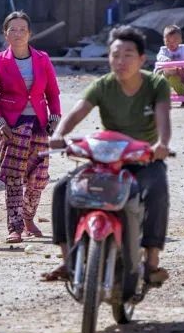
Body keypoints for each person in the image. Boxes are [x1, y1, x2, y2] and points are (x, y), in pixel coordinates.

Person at [44, 26, 172, 293]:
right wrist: (58, 135)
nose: (120, 61)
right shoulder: (102, 85)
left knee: (157, 188)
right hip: (107, 161)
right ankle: (68, 259)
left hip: (143, 159)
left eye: (128, 55)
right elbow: (78, 112)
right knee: (63, 189)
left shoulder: (156, 84)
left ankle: (151, 261)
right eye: (115, 55)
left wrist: (162, 144)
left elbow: (163, 118)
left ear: (142, 59)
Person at [0, 12, 62, 243]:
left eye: (22, 30)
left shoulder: (42, 59)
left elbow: (53, 92)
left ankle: (28, 217)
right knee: (14, 178)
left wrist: (55, 117)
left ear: (29, 33)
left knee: (39, 177)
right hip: (12, 126)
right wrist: (0, 123)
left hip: (39, 125)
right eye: (13, 30)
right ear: (5, 33)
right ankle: (15, 227)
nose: (17, 34)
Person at [156, 25, 184, 102]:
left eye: (174, 41)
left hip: (178, 76)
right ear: (164, 40)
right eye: (168, 41)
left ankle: (182, 96)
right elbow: (159, 56)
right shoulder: (164, 50)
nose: (171, 43)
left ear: (180, 40)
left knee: (175, 81)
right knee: (169, 70)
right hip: (165, 75)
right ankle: (158, 96)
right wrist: (166, 59)